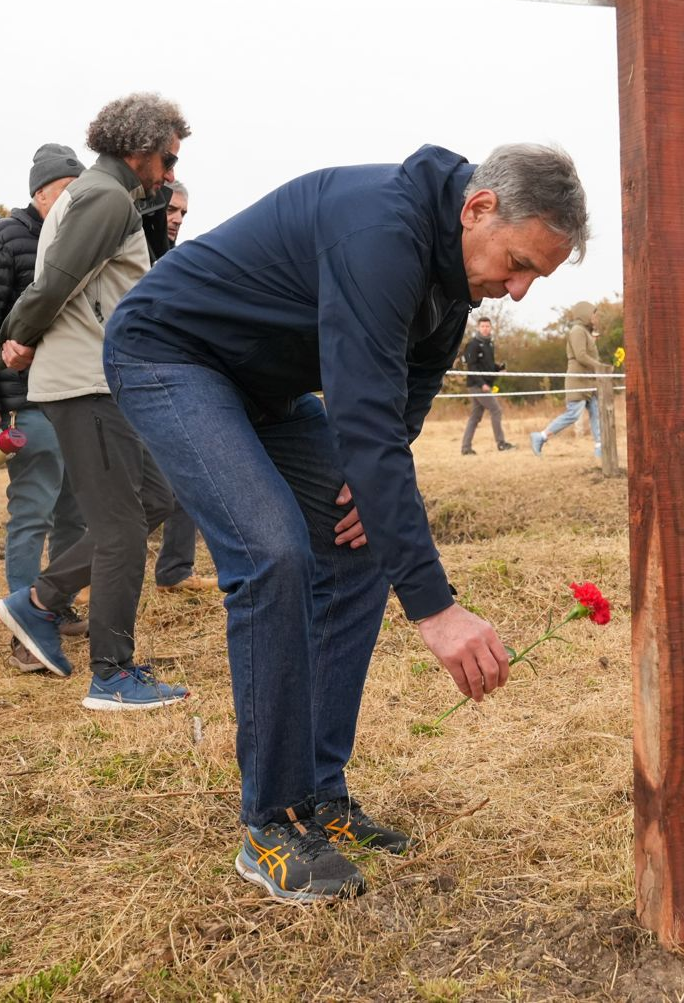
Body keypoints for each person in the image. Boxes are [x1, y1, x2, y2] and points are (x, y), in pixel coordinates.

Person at [105, 142, 588, 900]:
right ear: (479, 208)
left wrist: (375, 481)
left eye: (536, 278)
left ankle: (319, 796)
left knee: (354, 539)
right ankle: (270, 822)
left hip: (265, 387)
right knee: (274, 554)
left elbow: (411, 389)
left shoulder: (455, 265)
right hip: (171, 355)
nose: (519, 291)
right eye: (520, 264)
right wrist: (435, 607)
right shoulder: (381, 232)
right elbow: (362, 417)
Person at [0, 92, 193, 710]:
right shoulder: (104, 197)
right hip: (87, 381)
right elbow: (58, 281)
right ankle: (113, 673)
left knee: (158, 496)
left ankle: (41, 601)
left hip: (105, 379)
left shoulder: (104, 195)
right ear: (139, 148)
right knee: (121, 528)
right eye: (168, 160)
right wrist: (14, 340)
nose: (170, 175)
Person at [0, 145, 91, 669]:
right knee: (33, 509)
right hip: (24, 401)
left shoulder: (77, 239)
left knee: (74, 510)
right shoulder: (1, 240)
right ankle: (24, 625)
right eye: (66, 190)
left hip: (72, 396)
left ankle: (55, 604)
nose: (75, 199)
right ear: (40, 192)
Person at [139, 178, 217, 594]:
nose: (177, 219)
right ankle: (86, 576)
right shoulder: (130, 251)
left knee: (188, 474)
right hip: (125, 379)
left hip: (170, 379)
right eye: (171, 210)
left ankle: (175, 571)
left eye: (183, 213)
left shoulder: (178, 260)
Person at [530, 300, 605, 458]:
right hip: (578, 380)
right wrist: (600, 366)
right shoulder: (577, 331)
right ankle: (541, 436)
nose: (595, 318)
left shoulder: (586, 331)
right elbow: (580, 355)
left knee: (596, 413)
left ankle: (600, 447)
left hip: (589, 381)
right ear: (585, 314)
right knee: (573, 414)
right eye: (593, 314)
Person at [458, 316, 513, 455]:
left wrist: (499, 368)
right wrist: (482, 384)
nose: (485, 329)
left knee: (475, 416)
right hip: (476, 385)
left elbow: (488, 365)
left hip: (486, 384)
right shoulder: (472, 345)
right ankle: (501, 443)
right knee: (496, 410)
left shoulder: (490, 344)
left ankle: (466, 448)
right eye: (482, 326)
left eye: (487, 326)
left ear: (491, 327)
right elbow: (472, 367)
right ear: (478, 328)